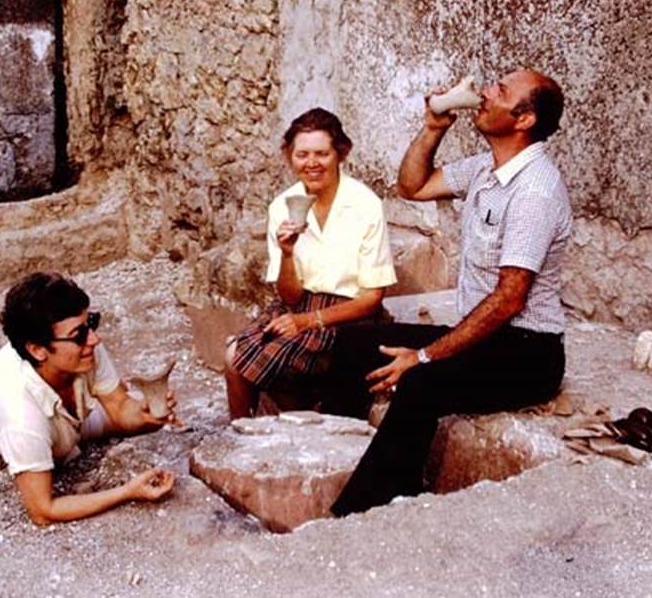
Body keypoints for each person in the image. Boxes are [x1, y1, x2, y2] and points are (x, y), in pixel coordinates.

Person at [327, 68, 571, 516]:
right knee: (355, 341)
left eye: (500, 90)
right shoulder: (486, 168)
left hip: (528, 354)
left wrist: (423, 356)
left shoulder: (535, 191)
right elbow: (413, 185)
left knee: (420, 383)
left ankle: (365, 512)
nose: (485, 92)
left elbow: (511, 298)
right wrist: (433, 128)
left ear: (524, 119)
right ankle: (334, 461)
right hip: (482, 336)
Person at [224, 108, 397, 419]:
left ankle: (301, 426)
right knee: (233, 358)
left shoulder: (364, 204)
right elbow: (289, 297)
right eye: (302, 154)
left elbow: (371, 300)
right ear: (290, 156)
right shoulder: (282, 206)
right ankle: (240, 439)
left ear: (340, 154)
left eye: (322, 154)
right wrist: (287, 253)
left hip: (349, 316)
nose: (312, 163)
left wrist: (308, 322)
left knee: (283, 363)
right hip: (299, 306)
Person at [0, 272, 178, 526]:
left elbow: (119, 407)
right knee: (49, 442)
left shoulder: (84, 349)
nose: (95, 339)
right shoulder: (20, 415)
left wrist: (148, 413)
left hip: (75, 415)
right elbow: (43, 511)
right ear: (37, 350)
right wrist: (128, 492)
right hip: (43, 428)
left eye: (92, 323)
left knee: (145, 420)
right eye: (78, 335)